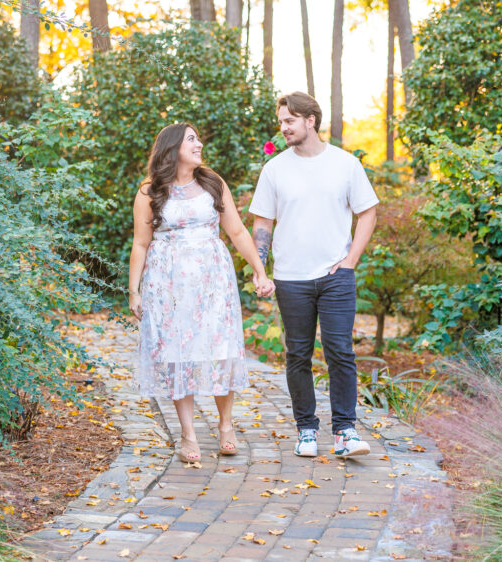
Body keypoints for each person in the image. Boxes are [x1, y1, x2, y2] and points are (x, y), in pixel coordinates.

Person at [128, 123, 275, 463]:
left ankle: (226, 426)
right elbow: (140, 243)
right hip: (169, 284)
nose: (199, 144)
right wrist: (134, 291)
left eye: (198, 138)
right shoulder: (150, 191)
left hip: (213, 280)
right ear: (172, 146)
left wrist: (259, 269)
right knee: (180, 353)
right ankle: (188, 434)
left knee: (221, 348)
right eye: (191, 139)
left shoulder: (212, 183)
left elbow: (237, 231)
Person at [249, 92, 378, 458]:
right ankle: (306, 430)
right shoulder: (275, 169)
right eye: (280, 122)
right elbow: (263, 223)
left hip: (336, 274)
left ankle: (345, 432)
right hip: (291, 278)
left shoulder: (345, 164)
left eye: (289, 121)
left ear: (310, 120)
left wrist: (351, 260)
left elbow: (367, 212)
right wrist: (261, 269)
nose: (283, 128)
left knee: (340, 351)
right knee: (298, 355)